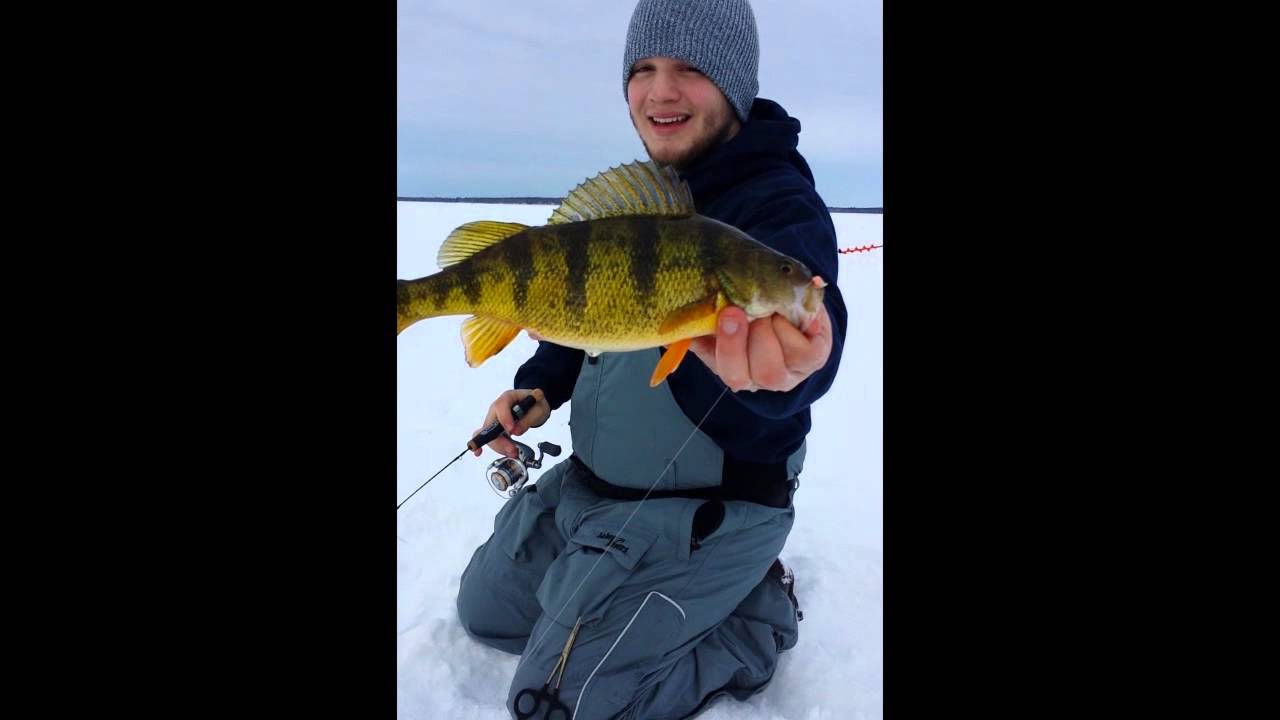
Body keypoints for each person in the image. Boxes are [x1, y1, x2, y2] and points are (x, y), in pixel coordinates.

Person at [455, 1, 847, 717]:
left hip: (707, 513)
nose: (660, 91)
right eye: (643, 68)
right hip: (597, 491)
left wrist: (789, 368)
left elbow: (810, 313)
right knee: (486, 613)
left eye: (690, 68)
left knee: (559, 701)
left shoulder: (775, 207)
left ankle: (755, 620)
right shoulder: (642, 203)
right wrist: (540, 385)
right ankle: (615, 593)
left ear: (734, 84)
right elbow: (591, 313)